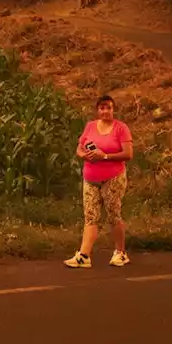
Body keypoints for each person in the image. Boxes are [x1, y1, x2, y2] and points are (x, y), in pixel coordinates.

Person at [65, 94, 133, 268]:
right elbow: (79, 148)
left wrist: (105, 156)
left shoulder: (120, 128)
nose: (105, 111)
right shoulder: (90, 127)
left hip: (113, 178)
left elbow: (128, 154)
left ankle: (120, 252)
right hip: (90, 178)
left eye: (108, 107)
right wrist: (84, 155)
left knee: (113, 215)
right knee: (90, 216)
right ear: (97, 110)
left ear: (113, 109)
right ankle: (84, 256)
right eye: (102, 108)